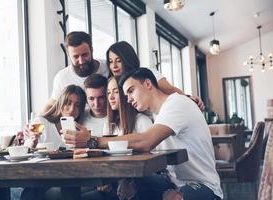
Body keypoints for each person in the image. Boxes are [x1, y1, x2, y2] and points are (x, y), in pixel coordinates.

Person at [66, 68, 222, 200]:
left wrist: (92, 140)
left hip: (203, 185)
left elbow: (146, 141)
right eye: (126, 95)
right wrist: (127, 180)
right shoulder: (158, 114)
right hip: (173, 181)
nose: (128, 99)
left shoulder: (177, 103)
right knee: (128, 185)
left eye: (131, 91)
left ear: (148, 84)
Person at [19, 84, 87, 200]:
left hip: (69, 176)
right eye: (68, 103)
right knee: (35, 188)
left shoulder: (81, 131)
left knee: (71, 186)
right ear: (60, 103)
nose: (71, 109)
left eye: (77, 106)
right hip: (42, 175)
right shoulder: (41, 122)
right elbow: (27, 146)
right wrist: (32, 142)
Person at [106, 41, 204, 111]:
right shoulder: (112, 84)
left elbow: (170, 89)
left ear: (127, 59)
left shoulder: (146, 74)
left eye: (118, 60)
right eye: (110, 61)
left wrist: (189, 98)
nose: (114, 66)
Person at [43, 31, 109, 111]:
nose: (81, 61)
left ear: (91, 50)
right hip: (76, 122)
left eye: (85, 55)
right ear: (68, 55)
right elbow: (51, 104)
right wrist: (37, 121)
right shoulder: (62, 77)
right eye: (76, 57)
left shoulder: (108, 67)